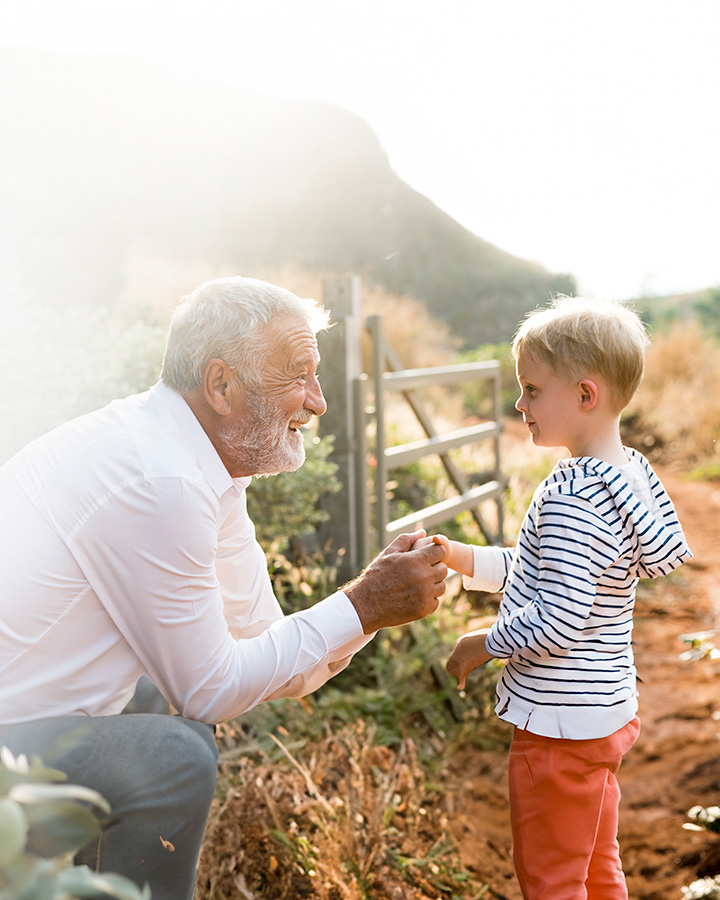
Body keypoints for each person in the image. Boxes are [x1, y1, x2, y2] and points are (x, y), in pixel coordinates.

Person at [0, 275, 448, 899]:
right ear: (221, 386)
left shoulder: (201, 467)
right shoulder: (164, 481)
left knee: (165, 708)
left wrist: (369, 612)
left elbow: (267, 647)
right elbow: (212, 689)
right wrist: (364, 601)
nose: (318, 401)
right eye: (299, 375)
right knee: (175, 755)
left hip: (23, 726)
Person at [431, 296, 691, 898]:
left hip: (557, 727)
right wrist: (463, 560)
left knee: (552, 881)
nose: (519, 404)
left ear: (584, 395)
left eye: (530, 389)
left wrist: (481, 643)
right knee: (596, 870)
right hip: (598, 713)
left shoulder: (575, 495)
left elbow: (561, 614)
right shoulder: (622, 476)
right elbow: (548, 572)